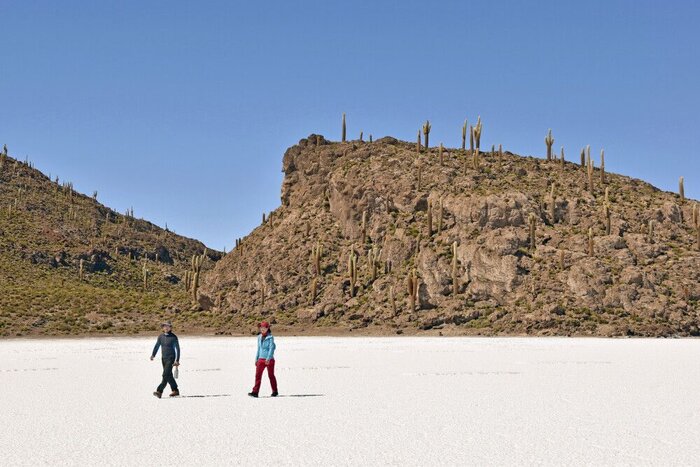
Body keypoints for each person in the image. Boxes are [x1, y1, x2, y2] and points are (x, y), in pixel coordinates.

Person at [150, 321, 180, 398]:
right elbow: (157, 346)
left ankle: (159, 391)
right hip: (163, 358)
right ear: (162, 328)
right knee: (168, 375)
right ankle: (175, 390)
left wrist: (177, 360)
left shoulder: (173, 337)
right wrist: (153, 354)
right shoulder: (160, 337)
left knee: (165, 374)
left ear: (170, 327)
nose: (166, 327)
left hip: (171, 358)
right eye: (164, 326)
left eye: (168, 326)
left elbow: (178, 349)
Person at [248, 321, 278, 398]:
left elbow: (271, 348)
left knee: (271, 375)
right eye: (261, 328)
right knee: (258, 376)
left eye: (264, 328)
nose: (262, 329)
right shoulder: (259, 337)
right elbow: (258, 349)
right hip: (260, 359)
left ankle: (275, 391)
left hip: (269, 360)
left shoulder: (270, 337)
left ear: (267, 328)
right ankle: (255, 392)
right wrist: (256, 359)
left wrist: (268, 358)